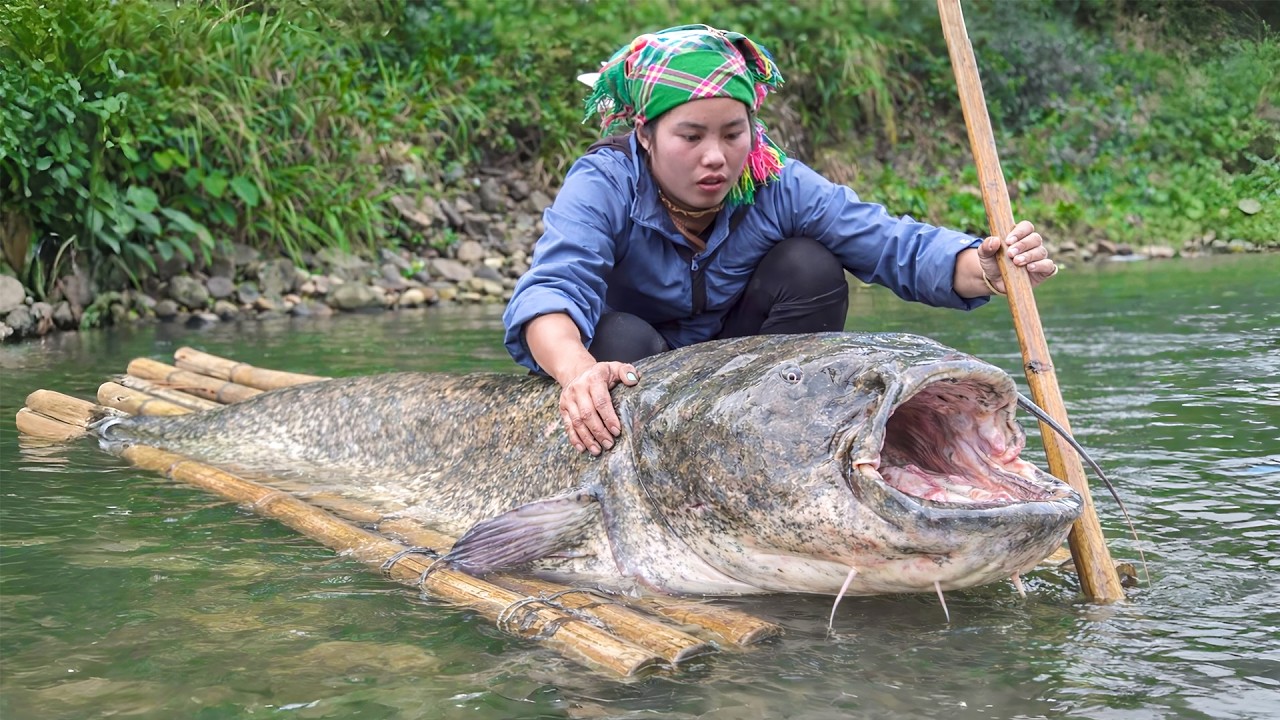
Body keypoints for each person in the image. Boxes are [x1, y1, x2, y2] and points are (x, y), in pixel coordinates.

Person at [502, 24, 1059, 456]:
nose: (716, 157)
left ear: (753, 127)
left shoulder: (775, 181)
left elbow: (889, 243)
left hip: (738, 375)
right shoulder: (604, 182)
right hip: (633, 362)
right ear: (645, 134)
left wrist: (983, 266)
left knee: (809, 265)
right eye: (690, 137)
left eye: (732, 132)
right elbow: (552, 290)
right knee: (619, 339)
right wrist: (578, 373)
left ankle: (776, 448)